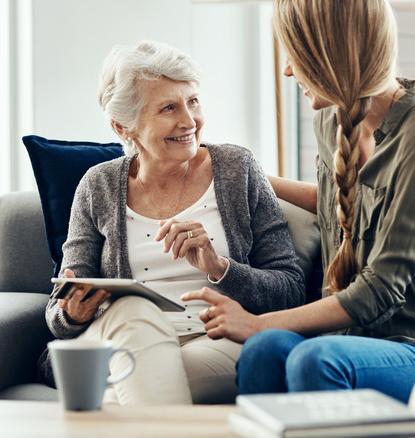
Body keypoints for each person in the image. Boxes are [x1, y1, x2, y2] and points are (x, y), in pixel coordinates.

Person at [182, 0, 415, 403]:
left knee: (312, 359)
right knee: (264, 351)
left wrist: (257, 322)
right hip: (342, 340)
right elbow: (339, 201)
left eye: (296, 56)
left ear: (333, 55)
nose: (287, 70)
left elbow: (379, 292)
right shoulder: (329, 119)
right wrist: (251, 178)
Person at [42, 40, 305, 405]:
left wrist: (220, 267)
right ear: (124, 127)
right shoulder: (97, 186)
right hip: (119, 336)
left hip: (212, 341)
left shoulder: (237, 169)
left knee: (128, 386)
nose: (189, 121)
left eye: (193, 101)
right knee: (133, 311)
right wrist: (71, 313)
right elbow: (60, 306)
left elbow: (291, 289)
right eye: (168, 108)